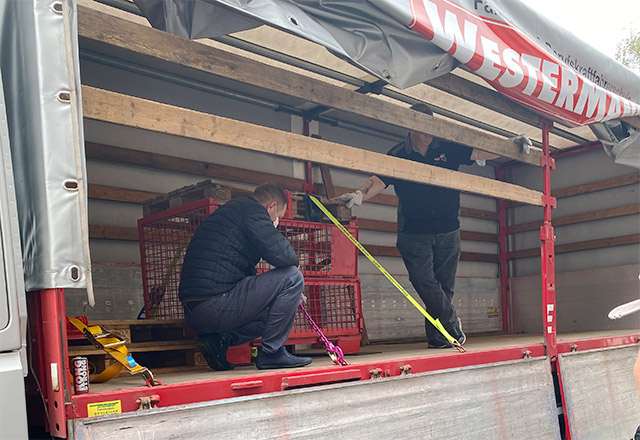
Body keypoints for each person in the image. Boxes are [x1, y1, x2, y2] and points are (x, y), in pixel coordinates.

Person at [337, 103, 501, 348]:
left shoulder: (447, 148)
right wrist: (360, 194)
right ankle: (450, 320)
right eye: (424, 127)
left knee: (444, 287)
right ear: (411, 126)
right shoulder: (398, 154)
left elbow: (478, 152)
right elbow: (379, 180)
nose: (429, 132)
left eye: (432, 127)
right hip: (413, 233)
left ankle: (438, 337)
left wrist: (508, 145)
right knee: (423, 281)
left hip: (448, 229)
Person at [179, 183, 312, 370]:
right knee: (292, 277)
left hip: (196, 312)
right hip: (215, 304)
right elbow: (285, 256)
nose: (277, 223)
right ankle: (271, 353)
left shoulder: (232, 213)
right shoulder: (253, 211)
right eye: (278, 217)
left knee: (276, 309)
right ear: (271, 207)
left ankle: (218, 341)